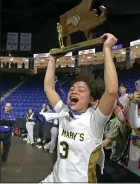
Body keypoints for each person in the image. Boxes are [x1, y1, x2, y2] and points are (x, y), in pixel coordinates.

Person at [40, 33, 118, 183]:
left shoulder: (95, 120)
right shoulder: (64, 113)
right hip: (54, 179)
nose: (74, 91)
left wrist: (107, 49)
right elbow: (49, 89)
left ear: (91, 99)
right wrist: (52, 59)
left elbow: (111, 91)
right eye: (72, 89)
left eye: (81, 90)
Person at [0, 103, 16, 167]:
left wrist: (2, 121)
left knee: (6, 147)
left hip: (7, 134)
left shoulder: (13, 115)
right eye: (6, 106)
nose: (7, 108)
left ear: (10, 108)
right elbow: (9, 122)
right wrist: (8, 122)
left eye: (8, 107)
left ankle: (4, 159)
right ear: (4, 106)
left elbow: (12, 123)